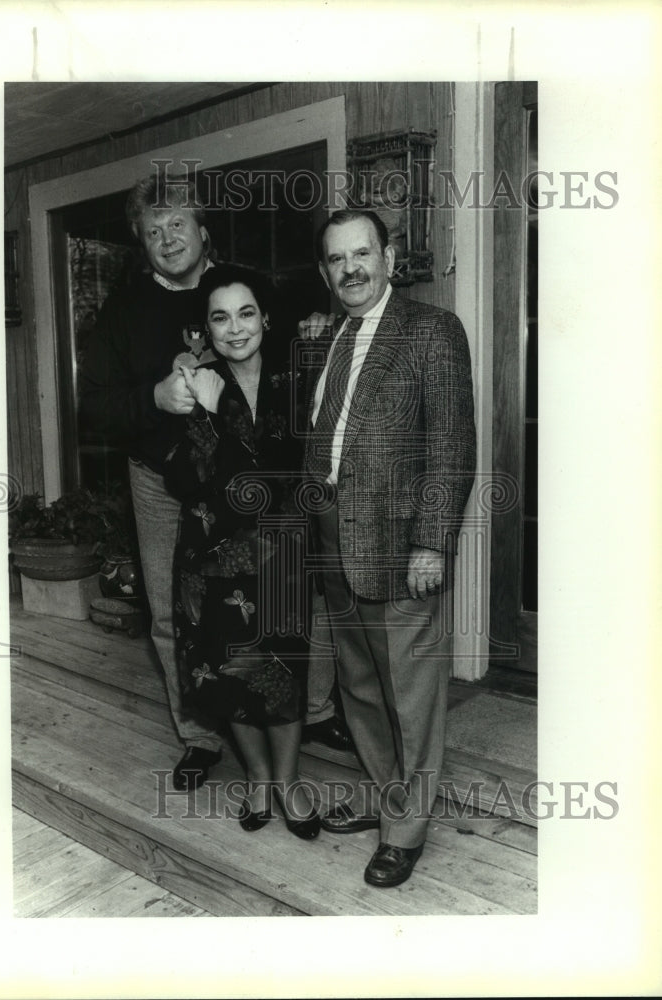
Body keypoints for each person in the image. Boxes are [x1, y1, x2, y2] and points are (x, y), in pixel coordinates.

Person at [79, 170, 349, 793]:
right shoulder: (122, 313)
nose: (167, 238)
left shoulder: (243, 290)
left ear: (203, 230)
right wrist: (153, 396)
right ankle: (200, 735)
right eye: (153, 231)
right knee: (175, 611)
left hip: (250, 473)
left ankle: (312, 712)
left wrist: (318, 328)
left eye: (178, 224)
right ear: (141, 244)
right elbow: (92, 406)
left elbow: (305, 320)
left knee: (287, 597)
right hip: (160, 478)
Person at [303, 209, 476, 886]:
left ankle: (405, 830)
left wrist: (432, 543)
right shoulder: (330, 339)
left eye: (361, 253)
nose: (350, 268)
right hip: (335, 546)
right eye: (336, 259)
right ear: (325, 271)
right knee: (363, 693)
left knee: (410, 696)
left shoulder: (431, 330)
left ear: (388, 255)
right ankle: (385, 800)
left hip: (401, 550)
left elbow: (451, 443)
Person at [164, 264, 321, 839]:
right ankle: (257, 777)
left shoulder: (296, 379)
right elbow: (187, 482)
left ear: (266, 318)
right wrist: (203, 412)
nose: (235, 328)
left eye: (246, 312)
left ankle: (287, 780)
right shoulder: (191, 385)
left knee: (283, 666)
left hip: (282, 552)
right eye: (220, 317)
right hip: (214, 557)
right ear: (205, 328)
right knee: (230, 670)